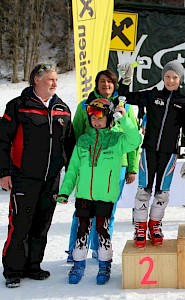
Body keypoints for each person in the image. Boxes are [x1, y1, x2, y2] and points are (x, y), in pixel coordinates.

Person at [0, 63, 75, 288]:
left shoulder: (62, 108)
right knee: (20, 224)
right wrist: (4, 173)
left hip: (51, 179)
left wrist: (71, 173)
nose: (54, 83)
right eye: (50, 79)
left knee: (42, 224)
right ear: (36, 80)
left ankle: (33, 265)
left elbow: (69, 144)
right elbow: (3, 141)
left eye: (56, 80)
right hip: (24, 177)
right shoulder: (18, 106)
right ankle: (13, 270)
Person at [56, 98, 142, 284]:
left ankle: (105, 265)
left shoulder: (117, 139)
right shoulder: (83, 140)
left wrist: (123, 118)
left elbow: (136, 140)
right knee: (82, 229)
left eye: (100, 117)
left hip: (105, 196)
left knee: (102, 230)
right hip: (84, 195)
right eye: (92, 117)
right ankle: (78, 264)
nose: (96, 121)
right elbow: (73, 169)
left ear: (109, 117)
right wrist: (65, 191)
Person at [65, 70, 140, 263]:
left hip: (117, 165)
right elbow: (75, 135)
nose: (106, 84)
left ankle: (100, 250)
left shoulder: (126, 108)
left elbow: (133, 140)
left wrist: (132, 167)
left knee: (108, 212)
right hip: (89, 164)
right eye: (102, 81)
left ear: (115, 85)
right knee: (81, 213)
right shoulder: (85, 106)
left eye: (110, 81)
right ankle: (75, 250)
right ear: (96, 84)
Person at [119, 60, 185, 248]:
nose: (171, 80)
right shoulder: (153, 95)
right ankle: (140, 226)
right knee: (144, 191)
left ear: (180, 80)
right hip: (149, 151)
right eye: (168, 76)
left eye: (175, 77)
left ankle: (155, 225)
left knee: (162, 193)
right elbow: (125, 97)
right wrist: (125, 80)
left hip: (169, 154)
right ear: (163, 77)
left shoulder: (184, 101)